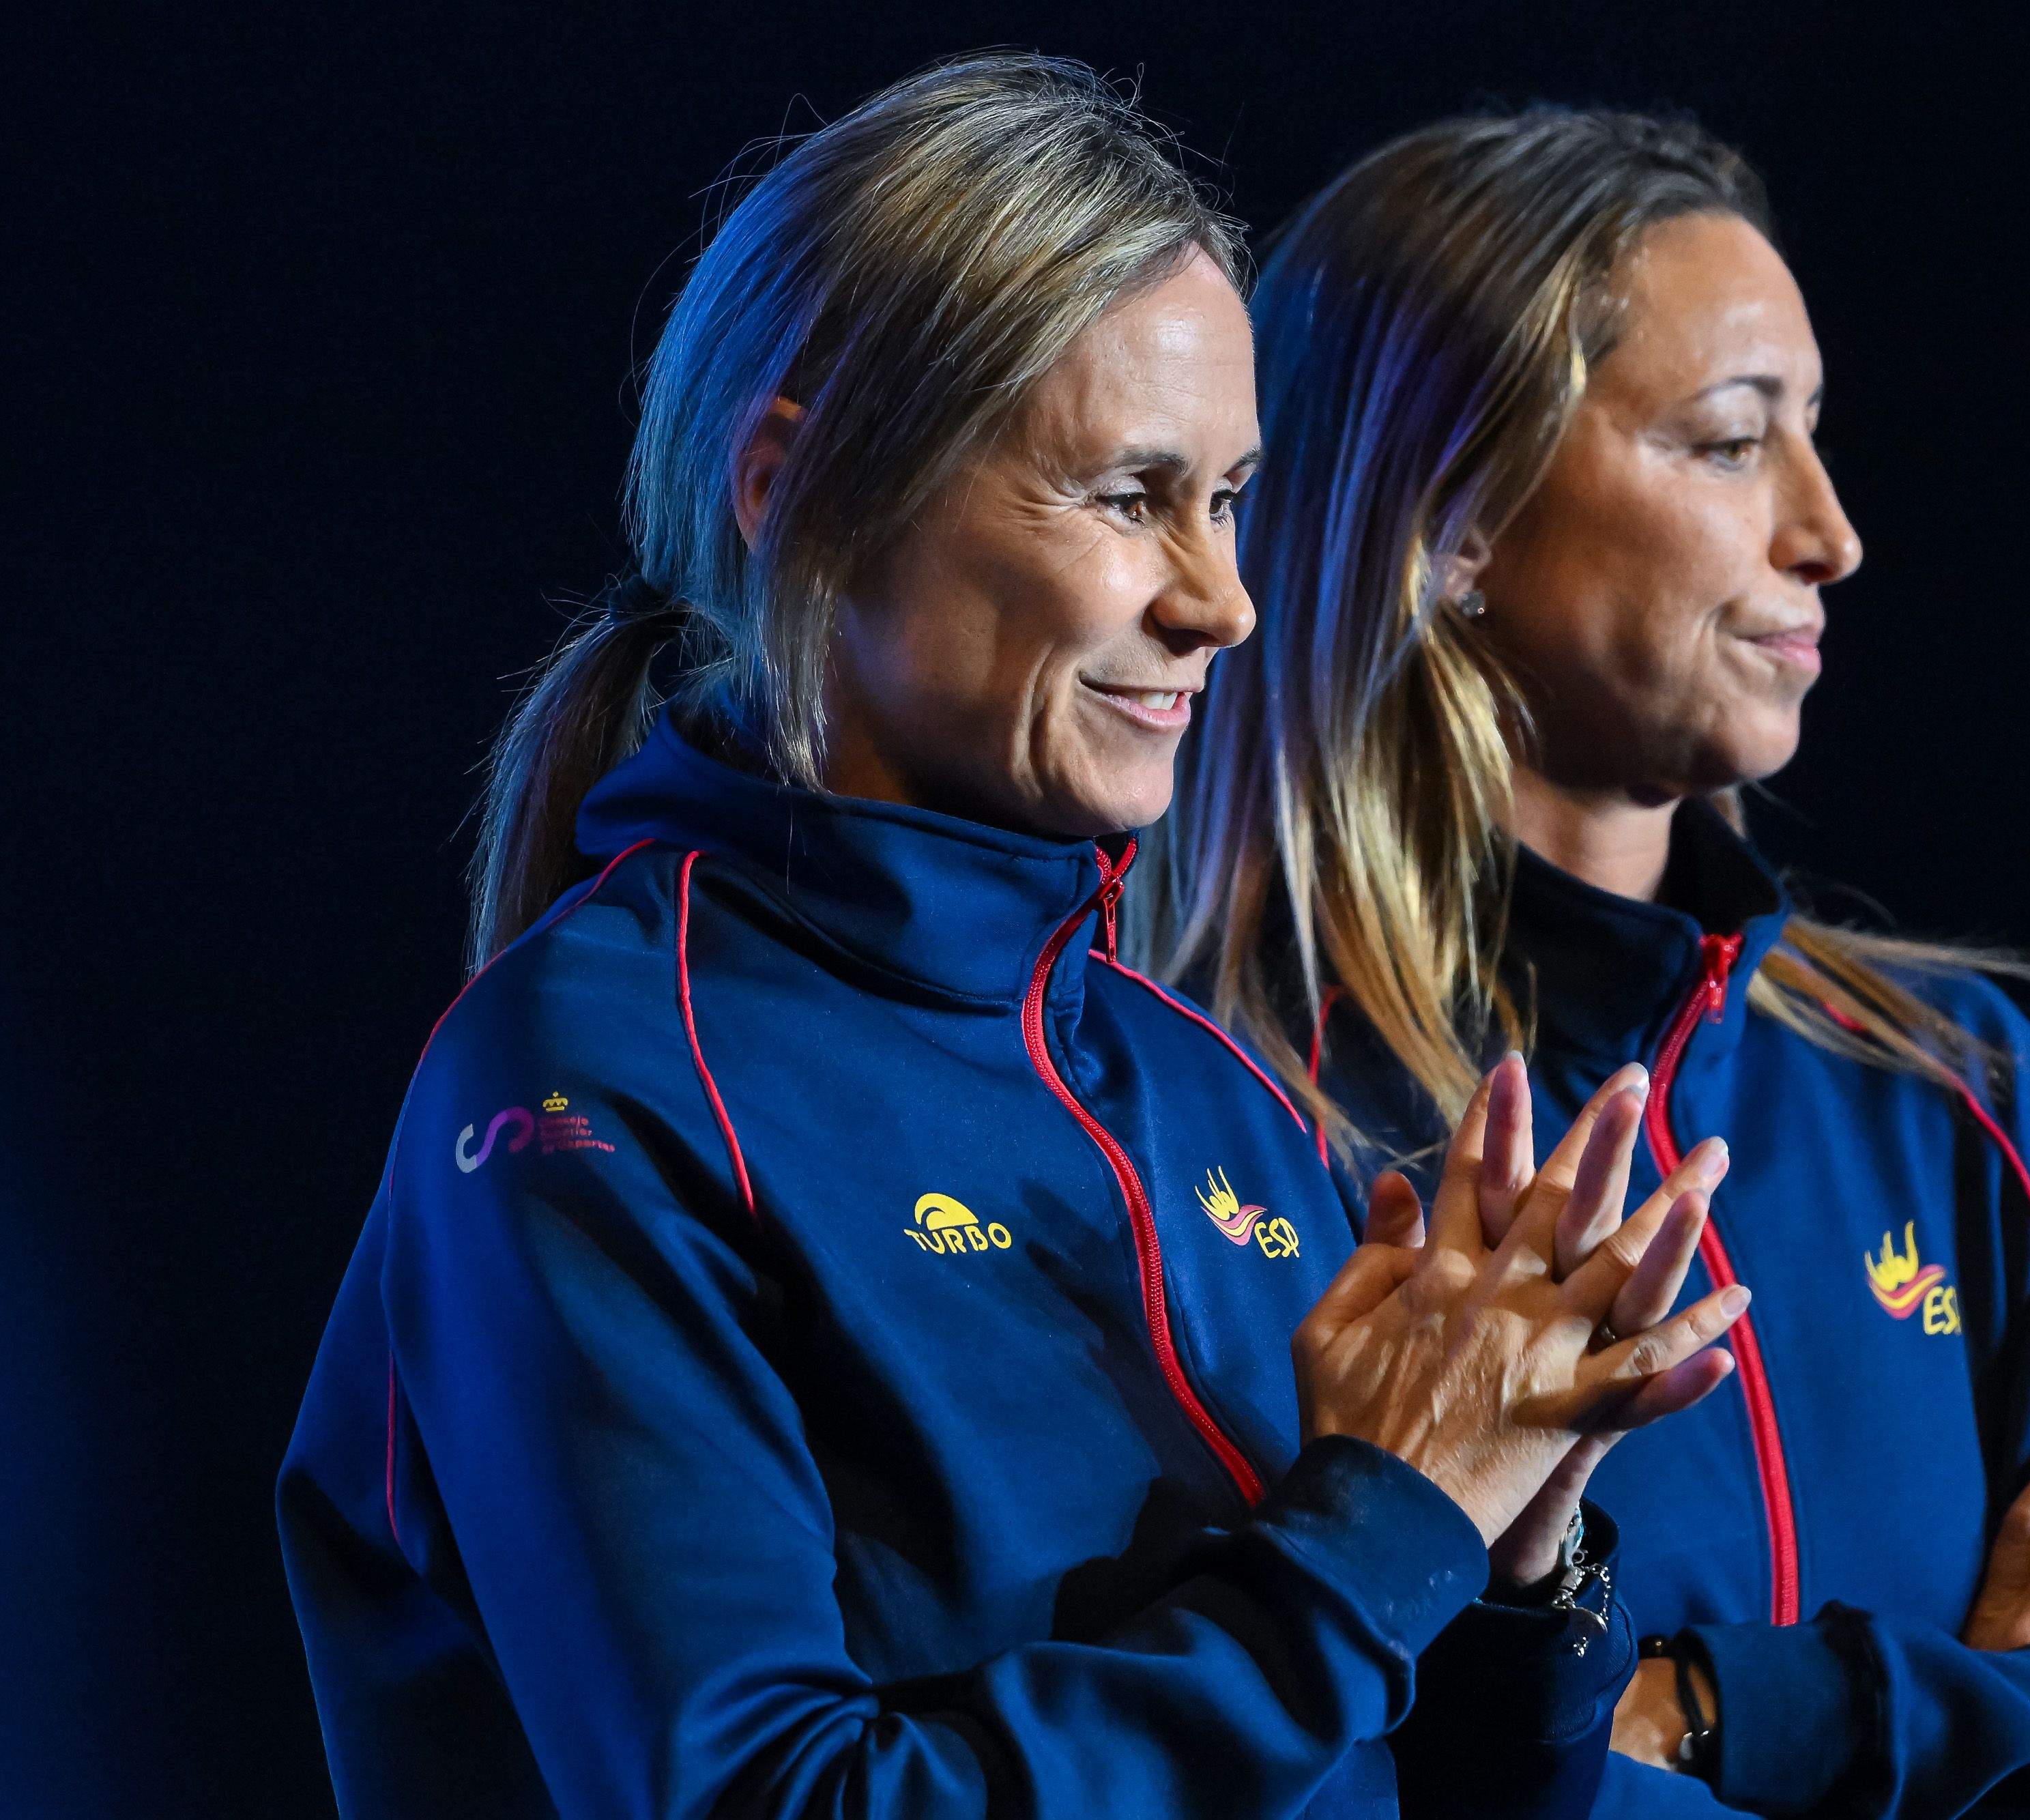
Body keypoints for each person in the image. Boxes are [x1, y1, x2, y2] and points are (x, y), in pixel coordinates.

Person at [276, 61, 1756, 1820]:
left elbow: (1424, 1782)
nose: (1220, 602)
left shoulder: (1206, 1086)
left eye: (1229, 498)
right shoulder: (591, 1085)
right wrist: (1380, 1530)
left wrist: (1515, 1553)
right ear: (799, 487)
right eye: (1131, 493)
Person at [1148, 107, 2030, 1816]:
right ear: (1456, 517)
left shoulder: (1955, 1091)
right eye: (1726, 442)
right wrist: (1989, 1723)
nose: (1828, 532)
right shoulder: (1203, 1104)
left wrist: (1726, 1704)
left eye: (1815, 436)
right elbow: (1317, 1770)